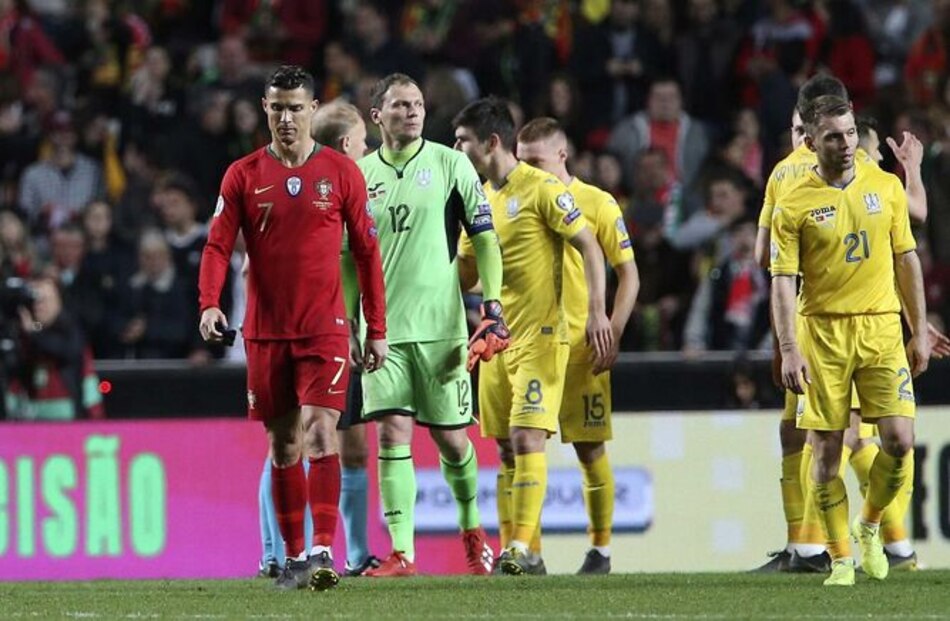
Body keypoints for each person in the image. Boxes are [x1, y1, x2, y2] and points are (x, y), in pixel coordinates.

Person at [198, 65, 388, 591]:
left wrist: (376, 327)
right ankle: (294, 557)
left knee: (322, 432)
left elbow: (368, 252)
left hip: (324, 329)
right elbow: (217, 246)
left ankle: (324, 550)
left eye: (296, 107)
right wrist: (209, 305)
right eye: (277, 107)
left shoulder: (343, 173)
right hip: (264, 331)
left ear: (311, 109)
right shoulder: (242, 174)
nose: (286, 117)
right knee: (284, 446)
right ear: (265, 109)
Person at [752, 73, 949, 573]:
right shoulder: (852, 168)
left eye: (848, 132)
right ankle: (865, 549)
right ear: (813, 132)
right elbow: (919, 212)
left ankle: (813, 546)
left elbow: (763, 257)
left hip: (850, 323)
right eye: (828, 133)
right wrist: (914, 171)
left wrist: (783, 342)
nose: (843, 142)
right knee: (838, 441)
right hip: (820, 328)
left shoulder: (793, 173)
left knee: (823, 438)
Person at [349, 73, 505, 578]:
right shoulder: (358, 176)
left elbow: (484, 239)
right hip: (383, 332)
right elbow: (347, 259)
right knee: (392, 434)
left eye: (417, 104)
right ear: (377, 116)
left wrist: (492, 303)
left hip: (442, 329)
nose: (412, 112)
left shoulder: (450, 164)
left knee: (453, 441)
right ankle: (402, 553)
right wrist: (352, 321)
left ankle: (474, 534)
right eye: (399, 105)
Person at [453, 97, 613, 575]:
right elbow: (463, 272)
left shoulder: (542, 189)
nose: (454, 148)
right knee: (503, 446)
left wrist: (598, 312)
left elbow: (589, 246)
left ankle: (519, 549)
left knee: (527, 438)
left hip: (543, 336)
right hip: (497, 342)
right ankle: (527, 553)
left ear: (491, 143)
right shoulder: (477, 197)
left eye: (462, 140)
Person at [254, 100, 381, 579]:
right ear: (347, 145)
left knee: (322, 441)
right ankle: (277, 551)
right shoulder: (322, 191)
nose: (366, 150)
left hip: (333, 333)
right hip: (319, 332)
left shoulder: (341, 188)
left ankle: (338, 551)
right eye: (363, 143)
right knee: (290, 440)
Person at [514, 117, 640, 574]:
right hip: (529, 344)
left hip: (582, 345)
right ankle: (529, 552)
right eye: (521, 161)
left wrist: (613, 327)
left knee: (589, 449)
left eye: (536, 162)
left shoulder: (596, 202)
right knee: (524, 447)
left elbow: (629, 273)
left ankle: (600, 550)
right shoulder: (517, 199)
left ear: (562, 156)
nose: (527, 170)